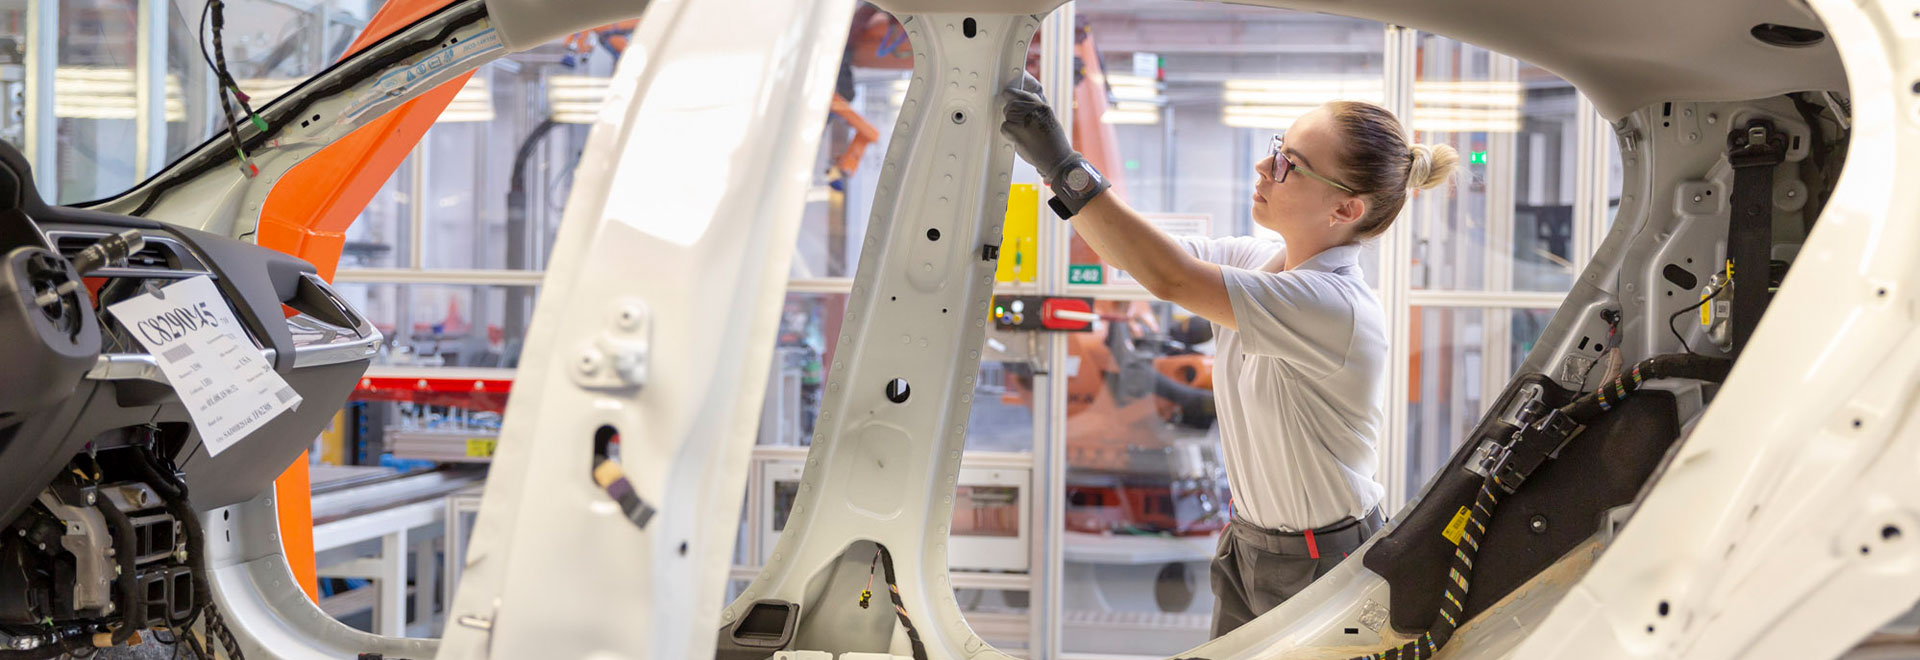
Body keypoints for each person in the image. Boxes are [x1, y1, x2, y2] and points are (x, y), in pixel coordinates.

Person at [997, 74, 1458, 638]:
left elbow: (1171, 277)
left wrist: (1064, 162)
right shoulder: (1259, 260)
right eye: (1275, 150)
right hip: (1247, 542)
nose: (1265, 170)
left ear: (1345, 209)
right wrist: (1054, 170)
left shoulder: (1334, 305)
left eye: (1289, 163)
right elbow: (1140, 256)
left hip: (1322, 562)